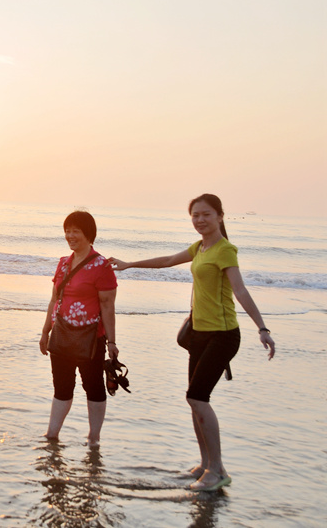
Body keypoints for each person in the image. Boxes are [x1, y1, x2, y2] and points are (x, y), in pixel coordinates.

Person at [110, 193, 276, 492]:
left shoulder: (225, 250)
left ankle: (218, 470)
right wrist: (129, 264)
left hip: (222, 335)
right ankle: (205, 464)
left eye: (206, 214)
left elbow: (240, 290)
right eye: (195, 215)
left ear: (220, 216)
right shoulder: (199, 248)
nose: (200, 220)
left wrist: (262, 328)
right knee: (194, 400)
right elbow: (167, 261)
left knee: (198, 398)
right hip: (198, 333)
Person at [39, 211, 119, 446]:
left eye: (76, 231)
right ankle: (52, 434)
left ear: (89, 234)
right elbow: (54, 299)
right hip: (61, 335)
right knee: (61, 387)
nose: (70, 235)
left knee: (93, 387)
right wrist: (45, 331)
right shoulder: (63, 263)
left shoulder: (102, 266)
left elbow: (108, 305)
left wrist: (112, 342)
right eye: (67, 231)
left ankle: (93, 438)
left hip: (91, 338)